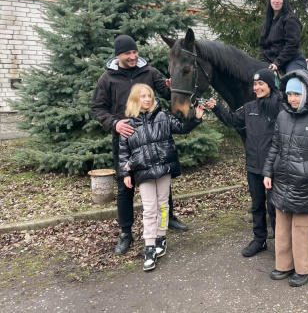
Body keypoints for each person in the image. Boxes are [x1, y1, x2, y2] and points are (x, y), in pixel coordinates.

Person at [91, 35, 188, 256]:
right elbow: (98, 108)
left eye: (135, 52)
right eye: (128, 53)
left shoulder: (150, 72)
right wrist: (114, 124)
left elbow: (165, 94)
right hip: (127, 139)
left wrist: (172, 86)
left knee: (161, 180)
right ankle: (126, 232)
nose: (133, 56)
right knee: (125, 187)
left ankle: (168, 218)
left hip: (154, 137)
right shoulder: (107, 79)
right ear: (118, 56)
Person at [118, 84, 204, 271]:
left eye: (149, 96)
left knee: (163, 205)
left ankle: (161, 237)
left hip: (164, 167)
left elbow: (181, 128)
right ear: (135, 99)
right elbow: (123, 152)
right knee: (149, 209)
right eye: (143, 96)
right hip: (143, 171)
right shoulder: (128, 124)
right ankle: (149, 247)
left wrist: (196, 118)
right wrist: (125, 173)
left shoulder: (163, 116)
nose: (147, 99)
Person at [263, 70, 308, 287]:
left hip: (304, 183)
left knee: (303, 228)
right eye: (289, 94)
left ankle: (304, 268)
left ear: (306, 93)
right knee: (283, 226)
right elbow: (275, 145)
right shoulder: (283, 115)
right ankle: (284, 264)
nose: (292, 99)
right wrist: (268, 171)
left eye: (296, 94)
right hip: (282, 180)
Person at [204, 69, 279, 257]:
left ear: (270, 85)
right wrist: (217, 108)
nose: (257, 87)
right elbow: (231, 120)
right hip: (253, 165)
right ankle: (259, 239)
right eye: (255, 84)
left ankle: (281, 241)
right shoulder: (249, 107)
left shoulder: (280, 107)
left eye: (261, 83)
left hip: (274, 167)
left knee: (275, 206)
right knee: (257, 204)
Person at [259, 0, 307, 74]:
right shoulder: (264, 25)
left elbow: (292, 44)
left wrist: (277, 62)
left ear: (284, 0)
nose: (277, 0)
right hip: (271, 63)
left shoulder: (291, 20)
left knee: (292, 82)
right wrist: (264, 63)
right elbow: (262, 46)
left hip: (292, 61)